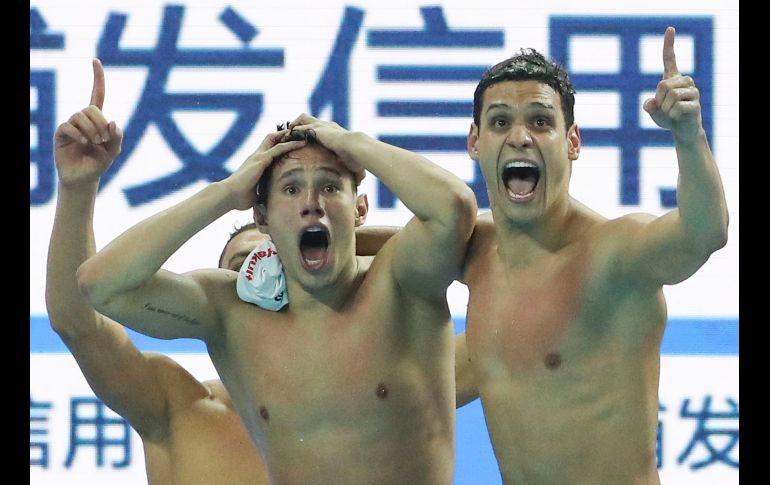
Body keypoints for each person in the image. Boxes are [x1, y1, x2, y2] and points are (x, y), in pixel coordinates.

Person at [75, 60, 477, 483]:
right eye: (291, 188)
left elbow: (453, 209)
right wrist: (226, 192)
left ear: (359, 209)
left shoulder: (403, 282)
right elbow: (100, 284)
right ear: (263, 218)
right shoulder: (231, 314)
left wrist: (352, 144)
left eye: (329, 186)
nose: (311, 203)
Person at [460, 26, 728, 483]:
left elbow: (703, 233)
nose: (520, 136)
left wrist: (689, 136)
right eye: (500, 122)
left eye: (540, 121)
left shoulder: (612, 255)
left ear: (573, 142)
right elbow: (368, 252)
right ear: (475, 142)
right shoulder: (475, 251)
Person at [46, 60, 271, 484]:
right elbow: (77, 322)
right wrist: (77, 188)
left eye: (275, 264)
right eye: (242, 269)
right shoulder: (179, 409)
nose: (263, 279)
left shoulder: (366, 407)